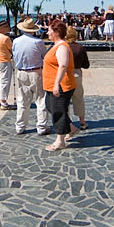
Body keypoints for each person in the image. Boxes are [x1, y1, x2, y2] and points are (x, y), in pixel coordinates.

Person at [40, 22, 83, 151]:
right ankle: (71, 128)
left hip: (62, 85)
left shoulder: (62, 47)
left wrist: (56, 84)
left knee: (58, 112)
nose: (47, 33)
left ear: (56, 32)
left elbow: (63, 65)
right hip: (51, 85)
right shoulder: (56, 46)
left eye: (49, 30)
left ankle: (60, 141)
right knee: (50, 106)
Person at [11, 18, 48, 134]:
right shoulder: (38, 42)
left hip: (21, 71)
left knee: (22, 100)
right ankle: (41, 127)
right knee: (40, 99)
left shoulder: (16, 41)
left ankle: (20, 126)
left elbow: (14, 55)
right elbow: (45, 56)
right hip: (36, 71)